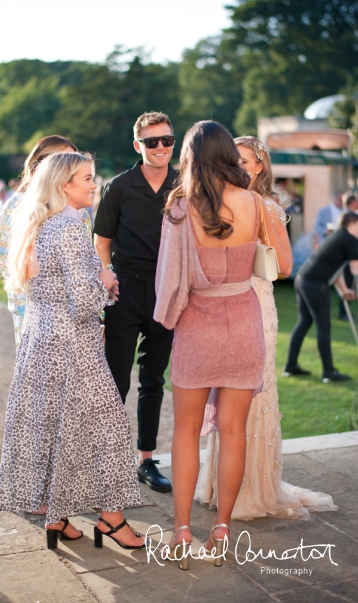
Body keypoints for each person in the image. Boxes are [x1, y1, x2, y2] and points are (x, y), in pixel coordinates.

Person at [0, 151, 145, 551]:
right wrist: (107, 280)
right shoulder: (71, 226)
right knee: (108, 425)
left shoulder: (37, 223)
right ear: (65, 186)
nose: (94, 184)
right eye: (87, 178)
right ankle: (112, 519)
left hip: (38, 338)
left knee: (53, 425)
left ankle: (56, 516)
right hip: (71, 341)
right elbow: (83, 300)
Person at [195, 136, 337, 520]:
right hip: (223, 301)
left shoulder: (268, 207)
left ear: (259, 166)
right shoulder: (219, 202)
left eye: (245, 161)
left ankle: (252, 489)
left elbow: (286, 266)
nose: (239, 167)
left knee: (255, 394)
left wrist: (250, 249)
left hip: (256, 301)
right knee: (224, 394)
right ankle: (218, 486)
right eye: (233, 160)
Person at [154, 120, 268, 568]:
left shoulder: (179, 207)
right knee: (234, 430)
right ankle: (221, 527)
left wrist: (165, 319)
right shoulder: (254, 202)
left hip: (197, 326)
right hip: (243, 323)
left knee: (185, 430)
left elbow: (168, 278)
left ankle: (181, 530)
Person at [93, 112, 178, 494]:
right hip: (124, 292)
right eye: (152, 141)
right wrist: (106, 276)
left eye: (167, 140)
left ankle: (146, 460)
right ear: (137, 145)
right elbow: (102, 241)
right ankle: (106, 461)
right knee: (115, 380)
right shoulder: (119, 186)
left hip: (167, 292)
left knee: (153, 380)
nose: (160, 147)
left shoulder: (185, 185)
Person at [0, 135, 78, 346]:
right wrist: (38, 275)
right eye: (64, 161)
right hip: (31, 313)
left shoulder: (78, 209)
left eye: (75, 161)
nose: (72, 168)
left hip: (72, 314)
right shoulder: (17, 205)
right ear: (41, 164)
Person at [284, 210, 358, 383]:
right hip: (315, 284)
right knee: (323, 326)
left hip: (303, 279)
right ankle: (328, 372)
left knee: (304, 322)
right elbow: (355, 270)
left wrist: (344, 290)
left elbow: (336, 269)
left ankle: (290, 366)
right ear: (352, 225)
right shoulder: (350, 239)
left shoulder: (339, 237)